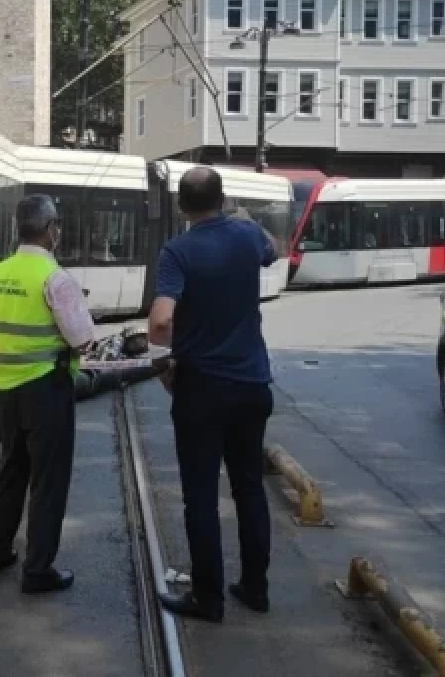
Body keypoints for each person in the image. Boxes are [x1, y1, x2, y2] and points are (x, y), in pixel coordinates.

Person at [148, 166, 276, 623]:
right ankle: (256, 588)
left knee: (200, 495)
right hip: (252, 387)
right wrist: (244, 218)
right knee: (249, 488)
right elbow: (272, 250)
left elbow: (162, 320)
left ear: (182, 207)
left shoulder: (177, 251)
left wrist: (162, 363)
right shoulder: (247, 237)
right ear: (221, 202)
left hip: (202, 391)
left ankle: (209, 598)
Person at [0, 194, 95, 594]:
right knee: (48, 480)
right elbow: (82, 339)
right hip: (48, 387)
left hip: (7, 388)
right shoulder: (55, 278)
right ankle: (38, 569)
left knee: (11, 468)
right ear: (50, 230)